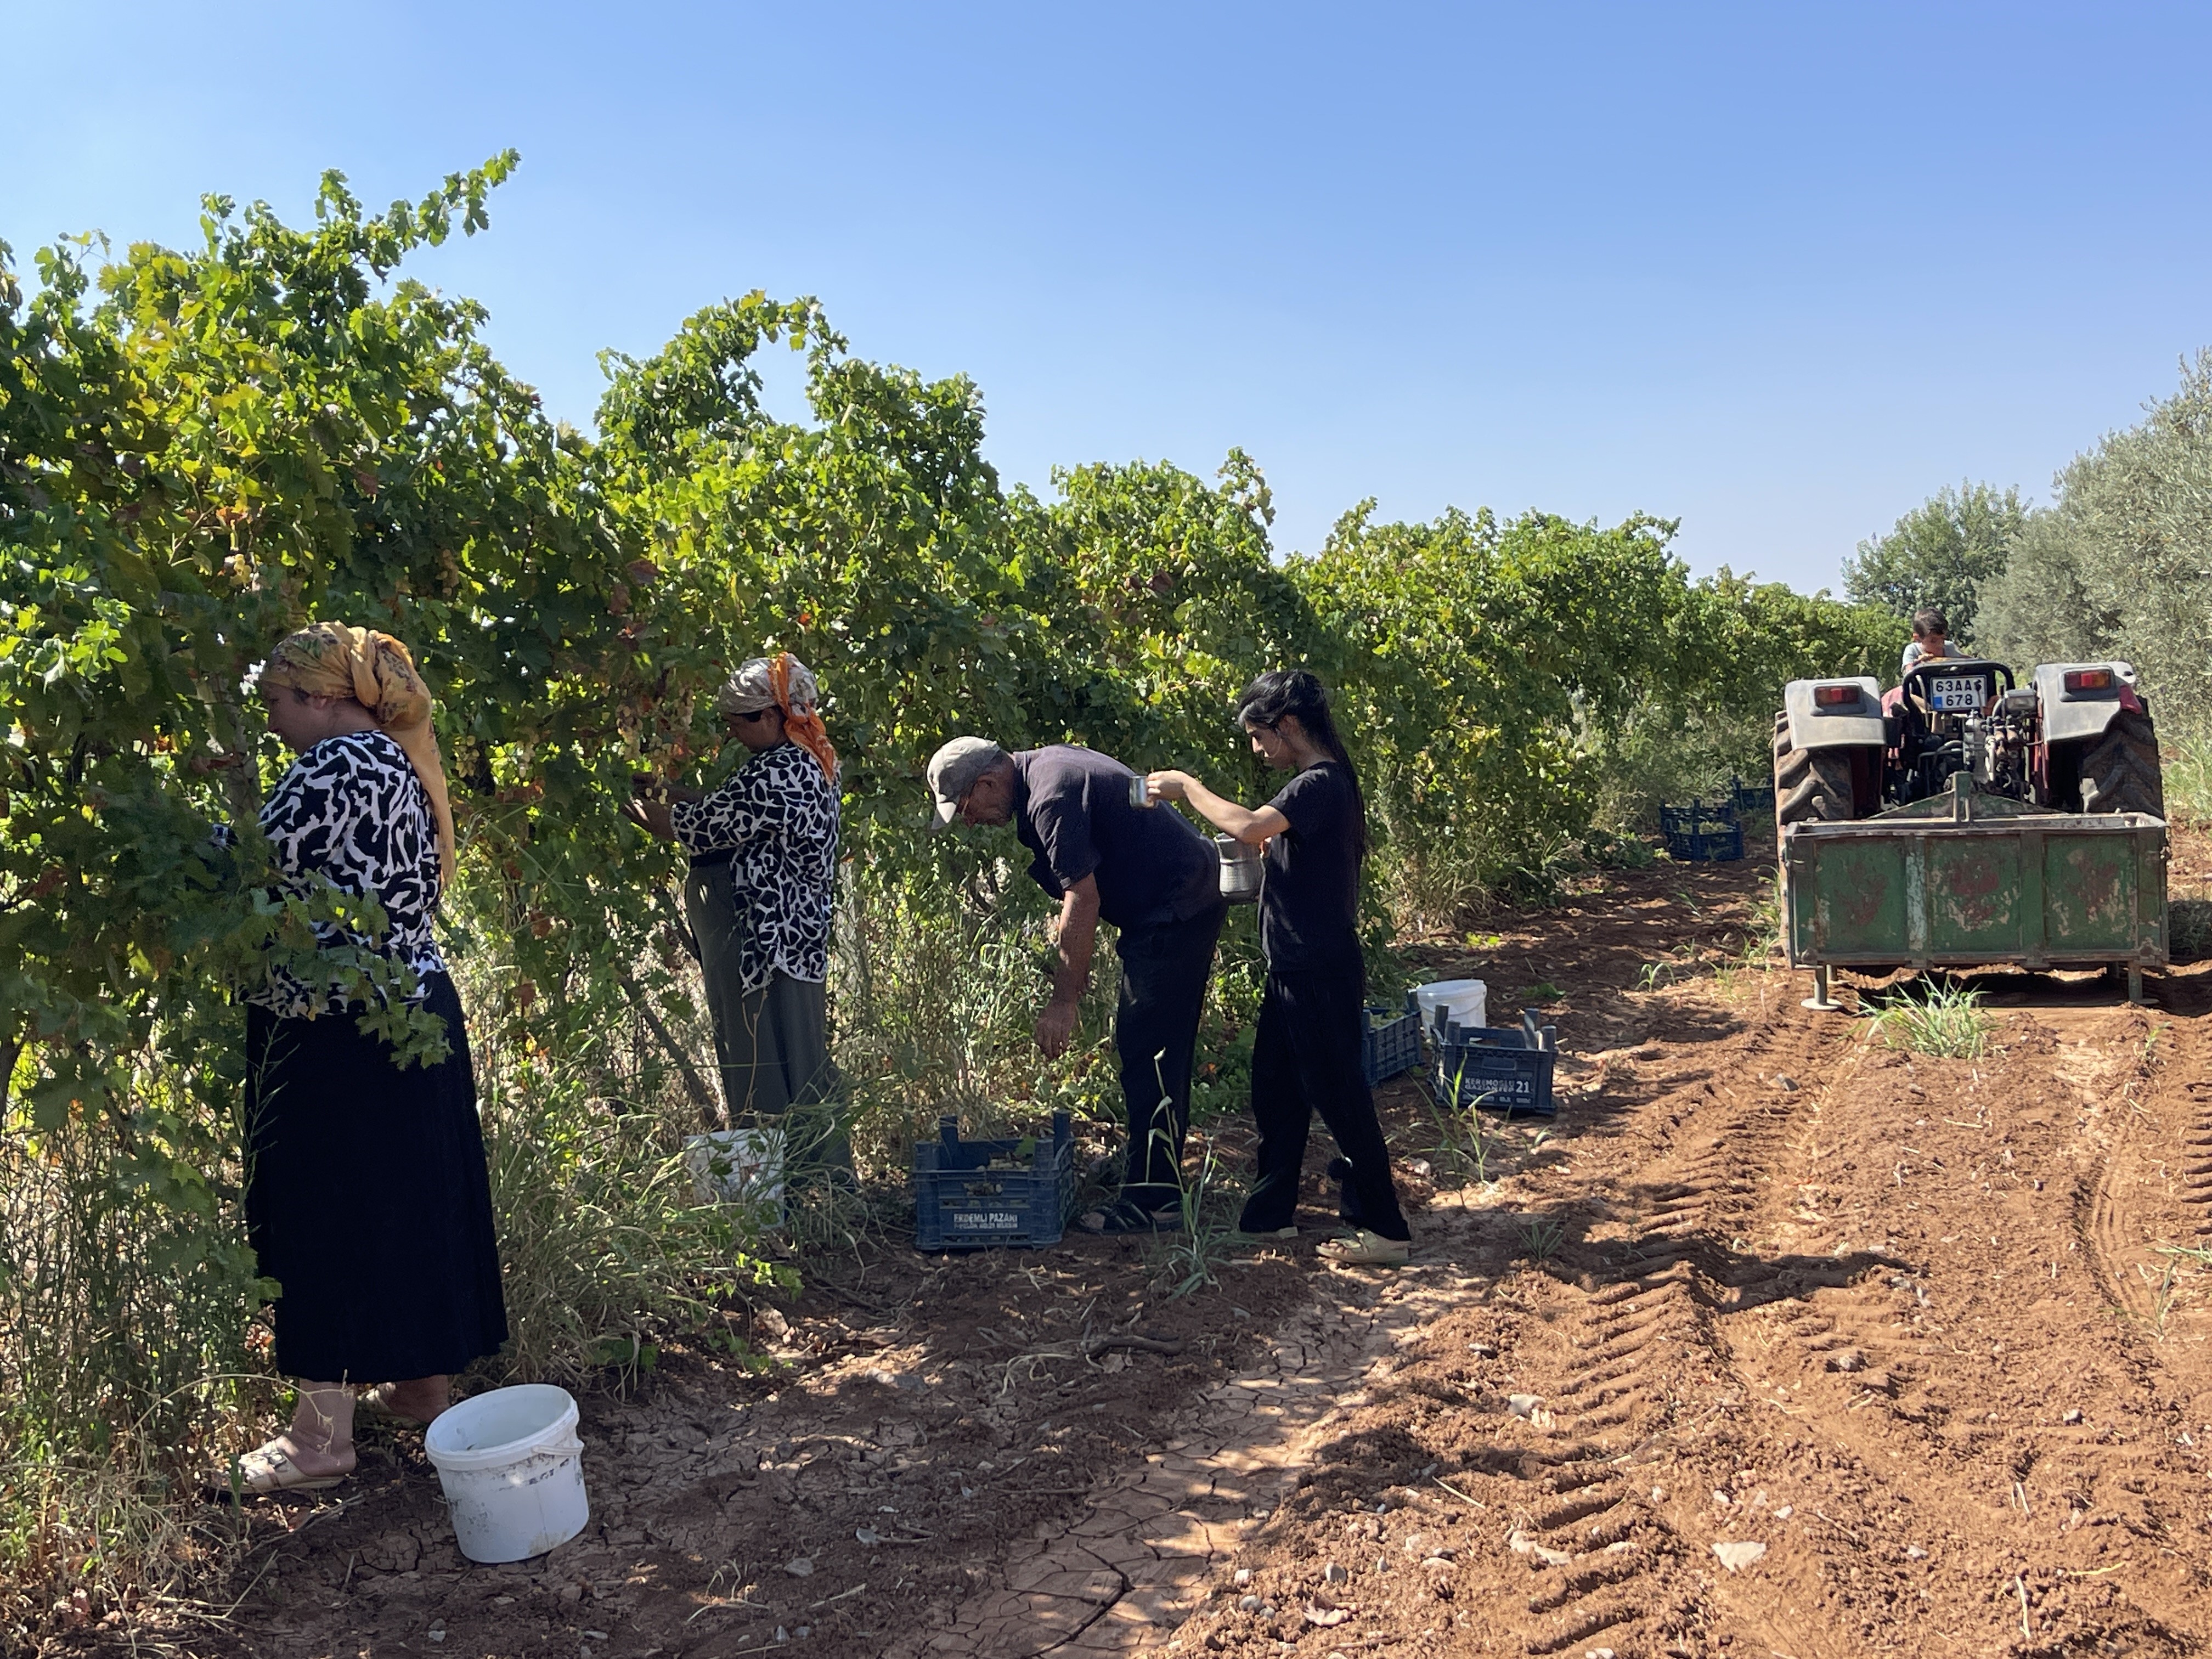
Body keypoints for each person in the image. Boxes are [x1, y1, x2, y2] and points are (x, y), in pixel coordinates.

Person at [230, 623, 507, 1494]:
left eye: (276, 703)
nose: (272, 721)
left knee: (324, 1209)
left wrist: (139, 848)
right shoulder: (399, 765)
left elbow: (239, 867)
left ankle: (319, 1442)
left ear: (319, 697)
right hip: (411, 1013)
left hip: (332, 1024)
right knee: (409, 1196)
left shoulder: (336, 766)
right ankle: (422, 1384)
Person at [1146, 670, 1412, 1266]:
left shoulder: (1321, 783)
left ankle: (1384, 1226)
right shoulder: (1314, 787)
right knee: (1277, 1091)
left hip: (1318, 966)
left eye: (1260, 736)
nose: (1257, 749)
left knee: (1339, 1092)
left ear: (1288, 726)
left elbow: (1247, 825)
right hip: (1294, 966)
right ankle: (1269, 1218)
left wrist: (1187, 786)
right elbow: (1273, 841)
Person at [927, 735, 1226, 1233]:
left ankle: (1155, 1199)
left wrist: (1064, 1002)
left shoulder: (1049, 795)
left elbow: (1081, 899)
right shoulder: (1046, 768)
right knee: (1151, 1046)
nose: (970, 820)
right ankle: (1151, 1171)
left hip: (1177, 906)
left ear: (986, 782)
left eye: (966, 807)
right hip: (1178, 898)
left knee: (1149, 1048)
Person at [623, 653, 847, 1172]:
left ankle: (782, 1187)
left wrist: (623, 802)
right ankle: (824, 1185)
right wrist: (674, 792)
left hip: (769, 942)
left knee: (765, 1066)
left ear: (768, 717)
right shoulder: (813, 758)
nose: (733, 736)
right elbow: (736, 809)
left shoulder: (777, 772)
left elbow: (696, 825)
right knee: (806, 1061)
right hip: (799, 938)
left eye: (736, 725)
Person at [1900, 607, 1950, 675]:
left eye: (1943, 639)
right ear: (1918, 638)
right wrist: (1918, 664)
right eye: (1933, 641)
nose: (1940, 645)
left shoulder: (1950, 648)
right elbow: (1908, 673)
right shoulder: (1913, 650)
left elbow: (1969, 663)